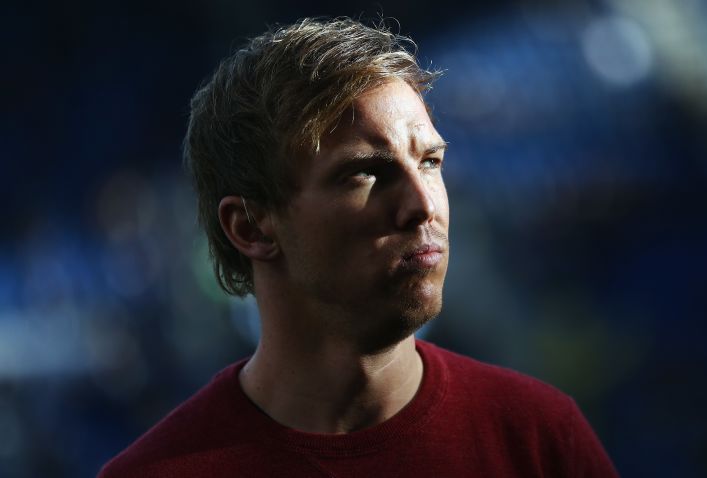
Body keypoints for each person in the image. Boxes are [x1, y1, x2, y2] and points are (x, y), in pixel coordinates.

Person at [99, 17, 618, 477]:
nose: (423, 204)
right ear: (251, 227)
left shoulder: (540, 437)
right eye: (365, 172)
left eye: (430, 163)